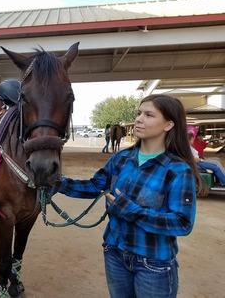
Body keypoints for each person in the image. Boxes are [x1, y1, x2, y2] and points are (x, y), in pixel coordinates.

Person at [51, 94, 200, 298]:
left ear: (168, 125)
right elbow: (95, 186)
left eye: (148, 115)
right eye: (139, 113)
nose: (139, 119)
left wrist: (131, 211)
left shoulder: (178, 170)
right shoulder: (121, 159)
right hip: (114, 253)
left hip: (153, 263)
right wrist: (58, 183)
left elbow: (182, 223)